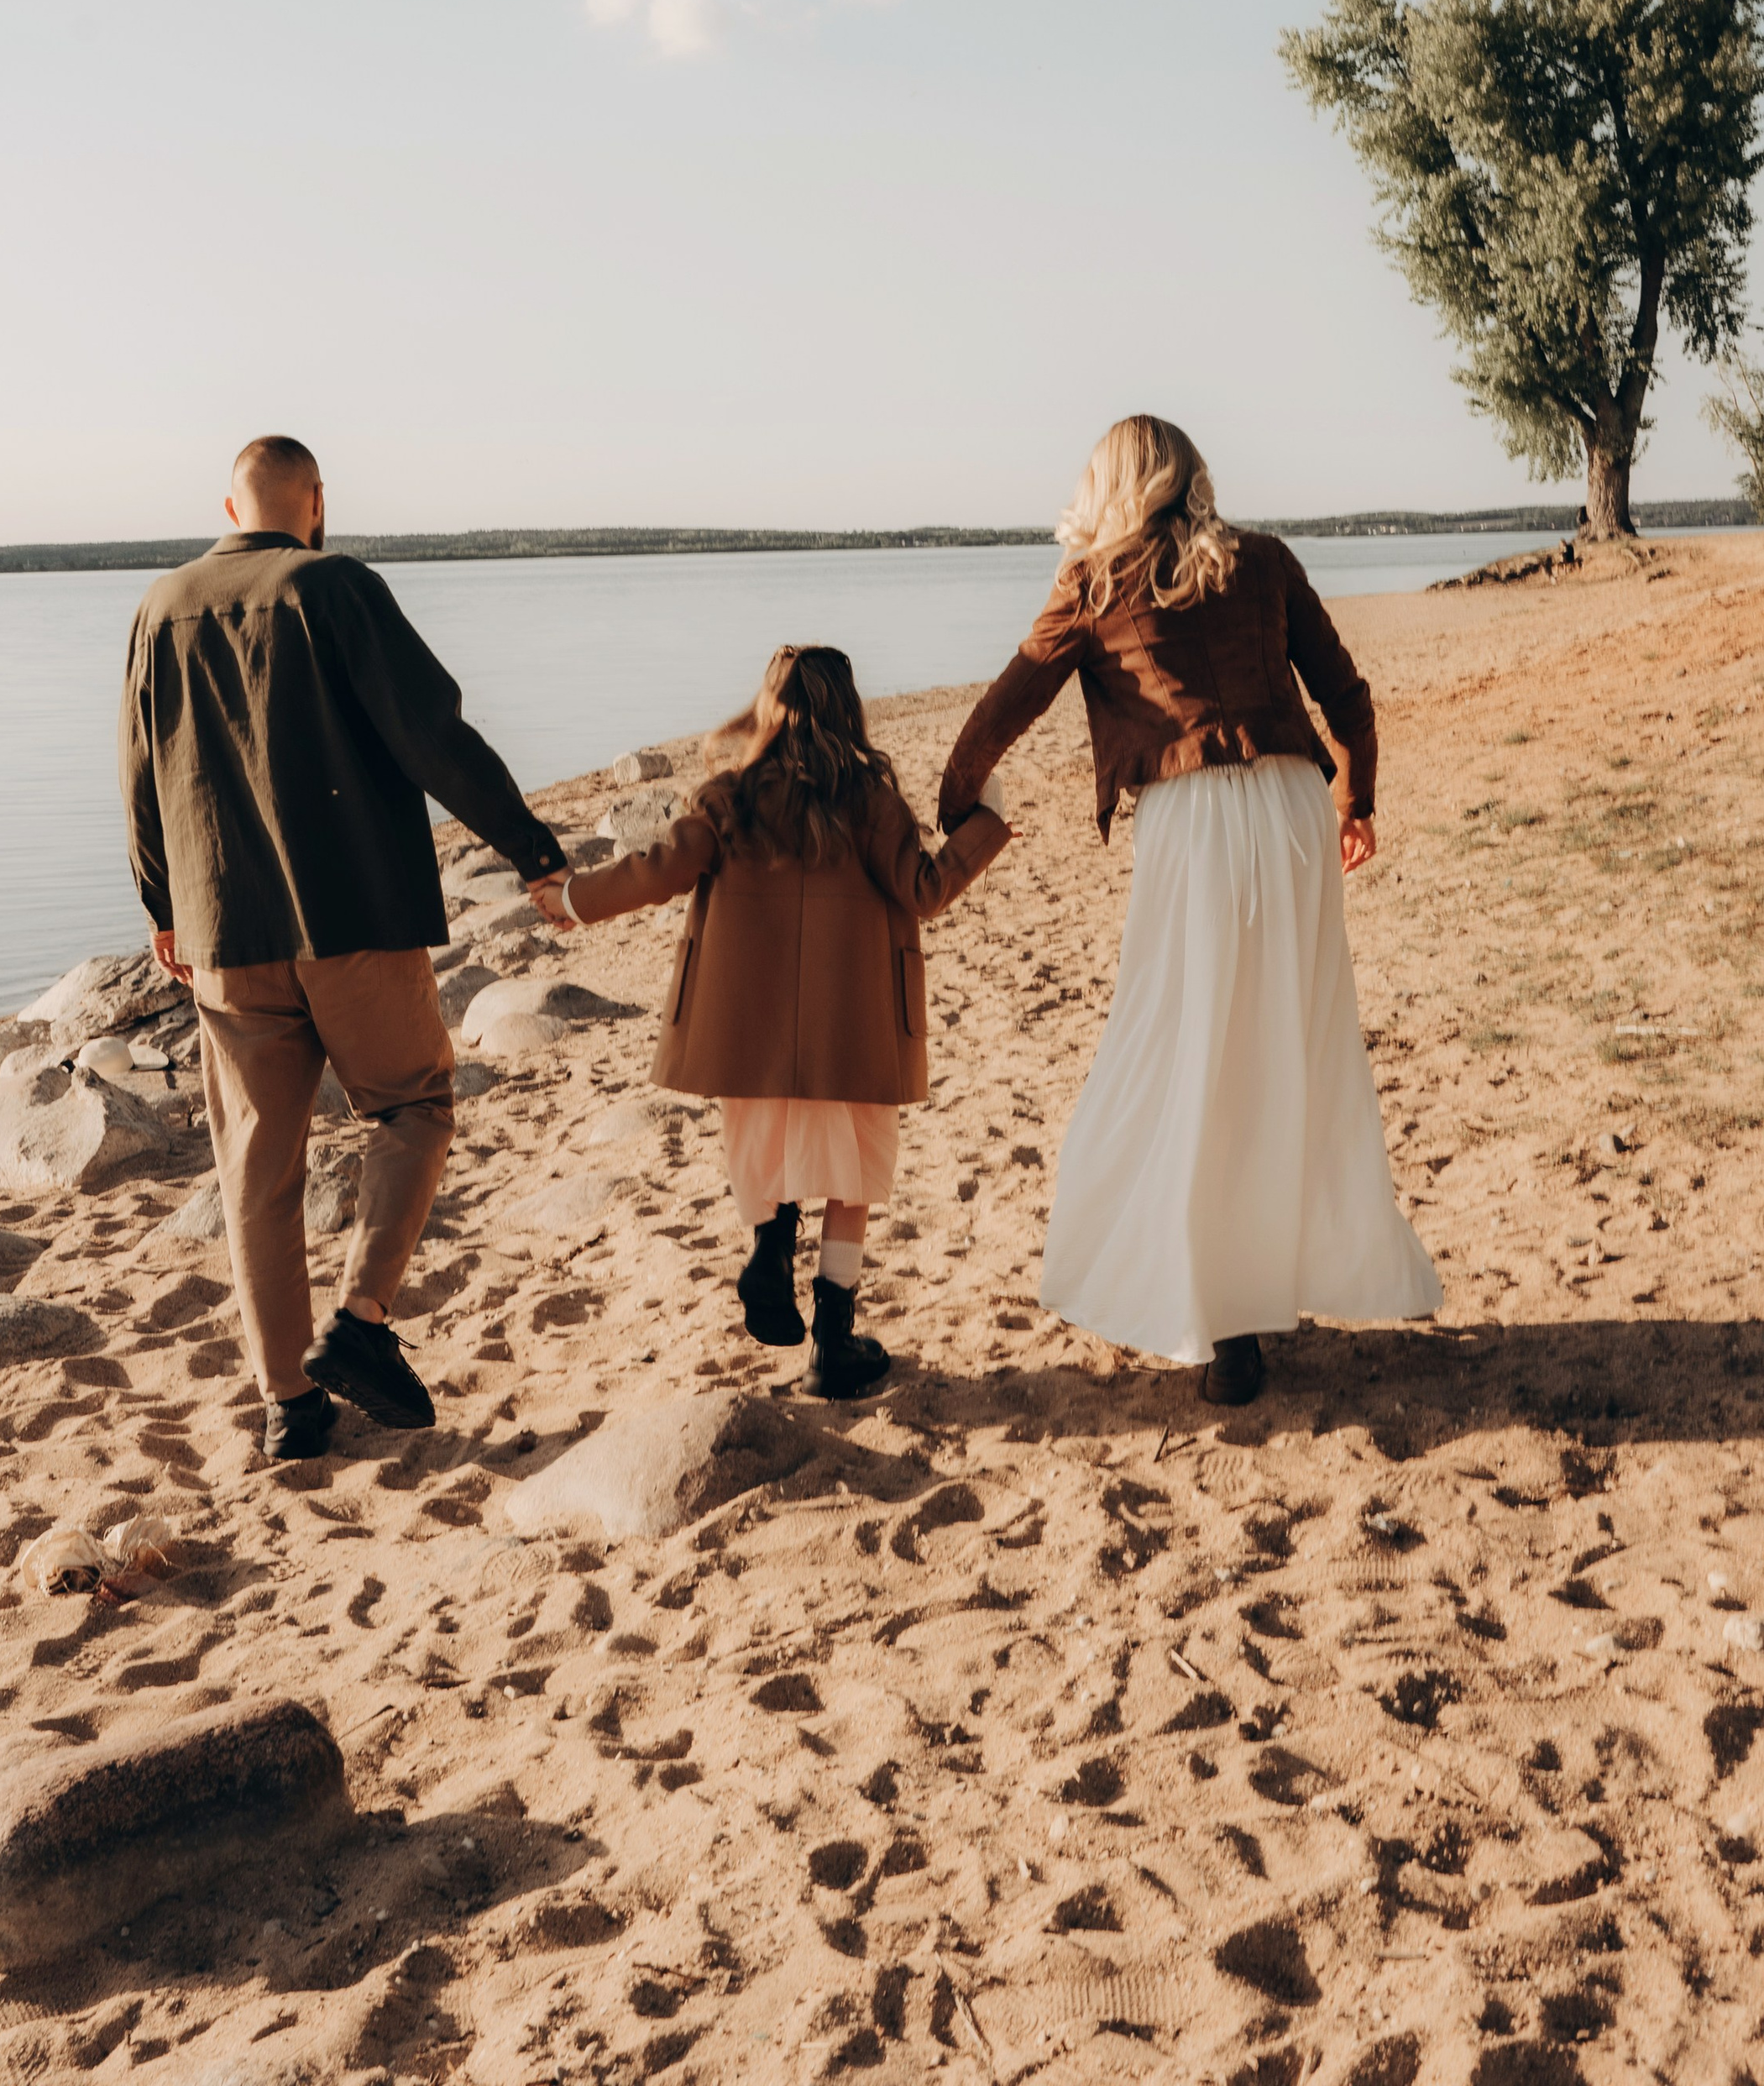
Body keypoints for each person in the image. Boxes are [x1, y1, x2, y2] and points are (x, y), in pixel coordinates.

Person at [936, 415, 1438, 1408]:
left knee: (1182, 1051)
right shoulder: (1264, 559)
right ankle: (1252, 1305)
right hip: (1293, 807)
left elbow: (1007, 703)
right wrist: (1357, 798)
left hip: (1196, 822)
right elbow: (1346, 692)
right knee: (1280, 1052)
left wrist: (957, 801)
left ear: (1109, 485)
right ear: (1189, 476)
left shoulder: (1093, 581)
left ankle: (1225, 1325)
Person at [121, 434, 568, 1460]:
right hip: (353, 915)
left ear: (228, 509)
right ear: (315, 502)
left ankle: (290, 1406)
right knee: (414, 1105)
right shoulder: (336, 586)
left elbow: (140, 770)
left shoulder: (160, 606)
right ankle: (360, 1324)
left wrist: (162, 903)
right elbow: (431, 733)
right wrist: (530, 850)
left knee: (256, 1169)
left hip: (225, 930)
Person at [533, 643, 1010, 1397]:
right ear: (848, 709)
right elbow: (926, 889)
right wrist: (985, 825)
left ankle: (770, 1245)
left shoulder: (730, 798)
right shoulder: (873, 804)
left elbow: (658, 871)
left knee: (767, 1157)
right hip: (853, 1035)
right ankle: (833, 1344)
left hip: (749, 1039)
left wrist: (573, 899)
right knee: (850, 1183)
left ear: (767, 707)